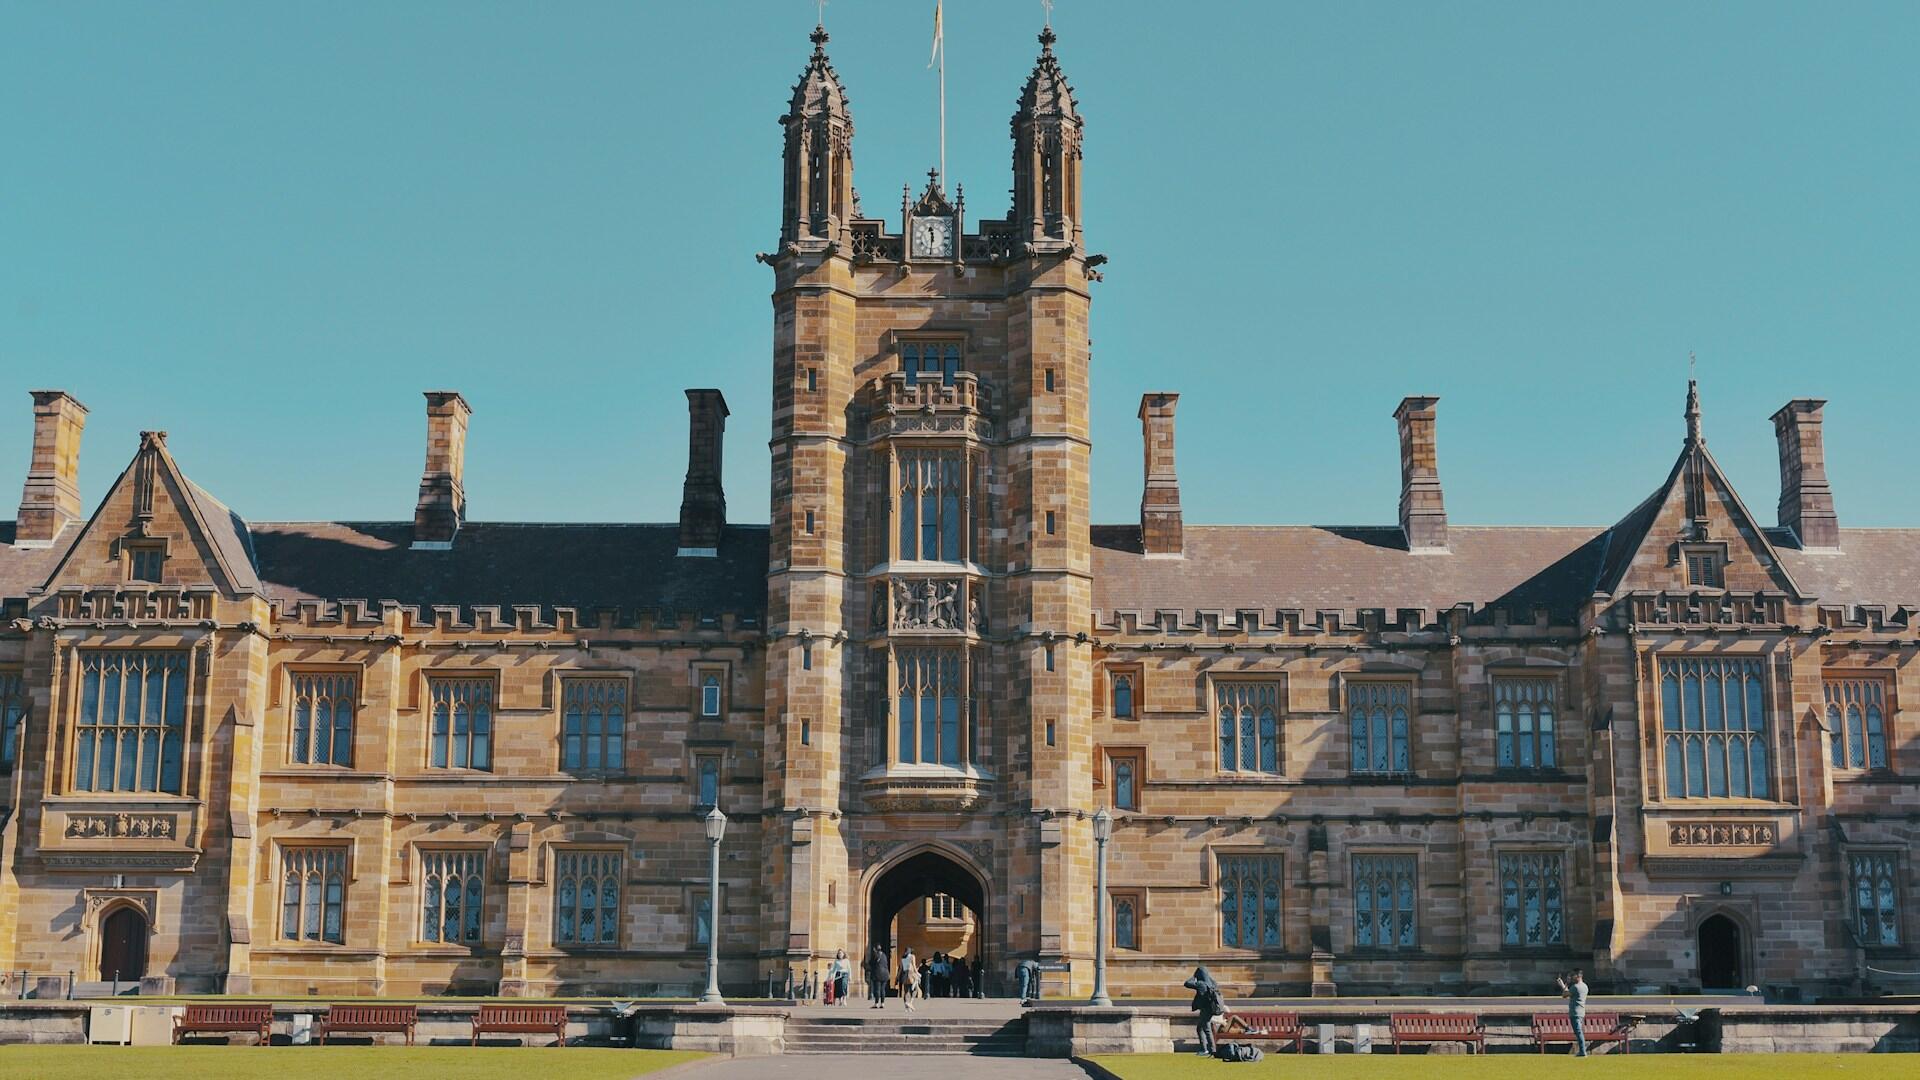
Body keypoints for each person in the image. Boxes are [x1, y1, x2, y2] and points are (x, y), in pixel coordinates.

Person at [1184, 966, 1226, 1056]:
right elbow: (1209, 979)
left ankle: (1210, 1050)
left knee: (1206, 1029)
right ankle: (1205, 1049)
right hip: (1211, 1009)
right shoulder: (1213, 983)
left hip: (1205, 1010)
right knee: (1200, 1028)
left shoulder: (1201, 984)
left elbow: (1187, 983)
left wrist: (1194, 976)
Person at [1557, 968, 1589, 1056]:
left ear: (1578, 976)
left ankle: (1583, 1051)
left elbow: (1564, 995)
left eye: (1573, 976)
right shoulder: (1585, 986)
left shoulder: (1575, 987)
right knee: (1579, 1032)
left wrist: (1562, 985)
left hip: (1575, 1013)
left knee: (1578, 1033)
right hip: (1581, 1012)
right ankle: (1582, 1051)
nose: (1572, 977)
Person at [866, 943, 889, 1009]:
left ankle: (876, 1003)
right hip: (885, 974)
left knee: (878, 989)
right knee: (883, 989)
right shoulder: (884, 955)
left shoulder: (875, 955)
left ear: (875, 949)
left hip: (878, 974)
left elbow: (871, 963)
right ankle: (882, 1003)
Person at [898, 947, 920, 1011]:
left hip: (904, 974)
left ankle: (906, 1007)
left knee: (906, 991)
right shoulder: (912, 956)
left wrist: (897, 977)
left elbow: (901, 969)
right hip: (911, 974)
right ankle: (910, 1003)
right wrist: (918, 974)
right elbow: (914, 965)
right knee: (915, 989)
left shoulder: (902, 957)